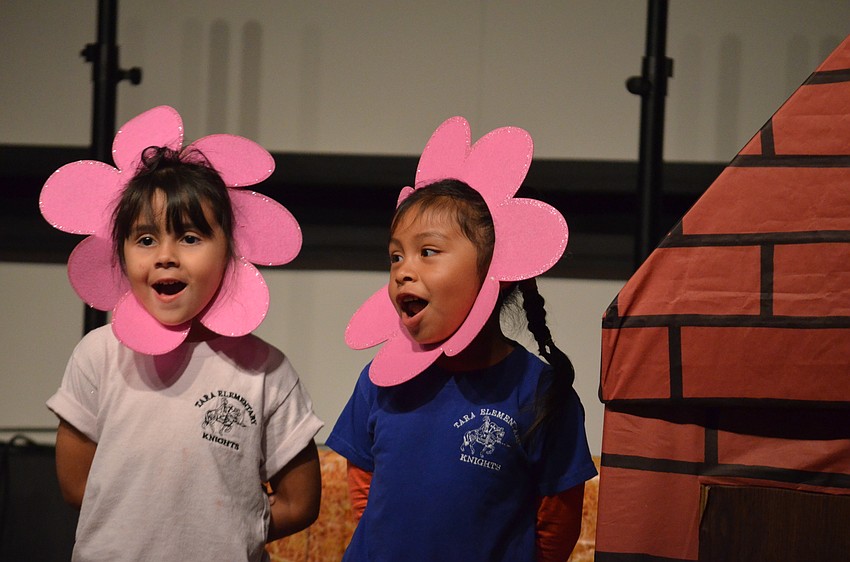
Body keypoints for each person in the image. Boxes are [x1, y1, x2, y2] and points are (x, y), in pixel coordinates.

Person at [40, 106, 323, 561]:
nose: (166, 256)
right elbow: (77, 484)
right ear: (122, 251)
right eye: (146, 239)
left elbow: (299, 502)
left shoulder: (266, 370)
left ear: (229, 251)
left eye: (190, 238)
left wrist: (228, 528)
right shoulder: (97, 355)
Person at [326, 117, 597, 562]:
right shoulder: (378, 380)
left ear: (495, 272)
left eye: (428, 252)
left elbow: (556, 526)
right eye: (396, 255)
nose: (403, 270)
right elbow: (365, 490)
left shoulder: (540, 393)